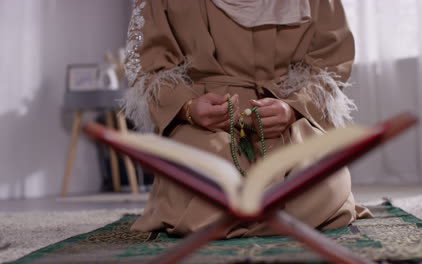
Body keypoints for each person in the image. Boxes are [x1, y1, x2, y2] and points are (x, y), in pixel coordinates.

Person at [123, 0, 371, 238]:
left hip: (290, 114)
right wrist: (188, 108)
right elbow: (148, 67)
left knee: (323, 183)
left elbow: (331, 62)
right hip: (202, 123)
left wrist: (292, 108)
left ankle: (243, 221)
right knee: (210, 188)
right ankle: (276, 219)